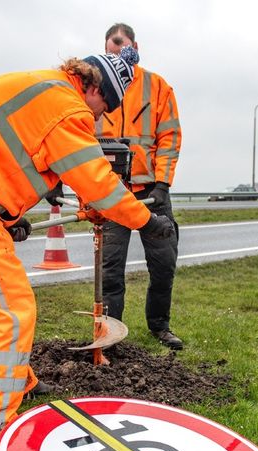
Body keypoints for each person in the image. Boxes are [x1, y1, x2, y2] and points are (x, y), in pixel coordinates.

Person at [0, 51, 175, 438]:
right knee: (11, 311)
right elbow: (97, 184)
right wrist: (146, 220)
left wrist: (8, 218)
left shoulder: (38, 85)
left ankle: (19, 382)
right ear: (93, 87)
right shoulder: (67, 109)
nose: (100, 117)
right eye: (105, 105)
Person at [98, 23, 185, 350]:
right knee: (109, 272)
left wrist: (162, 183)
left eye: (121, 43)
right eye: (111, 45)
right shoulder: (97, 89)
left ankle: (160, 326)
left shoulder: (157, 87)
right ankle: (109, 335)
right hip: (113, 193)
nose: (117, 49)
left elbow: (170, 137)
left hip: (152, 194)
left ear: (134, 45)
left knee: (164, 264)